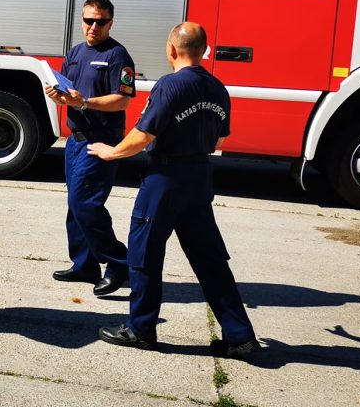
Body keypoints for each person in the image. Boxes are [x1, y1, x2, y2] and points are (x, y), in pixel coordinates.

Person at [88, 22, 259, 358]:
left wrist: (110, 152)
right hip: (199, 178)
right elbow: (220, 138)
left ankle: (141, 329)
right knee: (211, 261)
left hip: (165, 180)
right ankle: (240, 336)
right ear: (203, 50)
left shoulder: (170, 86)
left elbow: (143, 134)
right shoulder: (218, 88)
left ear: (171, 49)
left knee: (144, 254)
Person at [47, 0, 136, 297]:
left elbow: (122, 99)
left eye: (101, 21)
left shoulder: (117, 56)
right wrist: (58, 95)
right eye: (88, 20)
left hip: (102, 140)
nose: (93, 27)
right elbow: (68, 92)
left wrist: (83, 101)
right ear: (81, 20)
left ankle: (119, 263)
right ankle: (84, 265)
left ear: (111, 22)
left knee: (87, 204)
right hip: (75, 140)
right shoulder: (74, 53)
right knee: (75, 204)